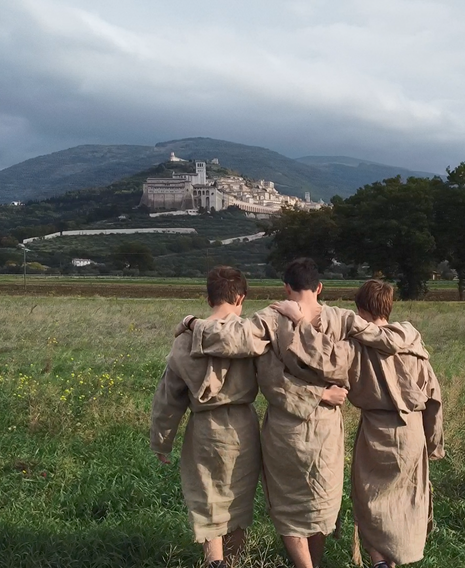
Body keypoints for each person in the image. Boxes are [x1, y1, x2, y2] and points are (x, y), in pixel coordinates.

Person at [182, 259, 414, 568]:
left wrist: (193, 324)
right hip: (327, 427)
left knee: (288, 505)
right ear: (319, 287)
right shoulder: (343, 319)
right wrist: (409, 335)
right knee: (321, 503)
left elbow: (249, 358)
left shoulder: (270, 317)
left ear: (286, 288)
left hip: (284, 426)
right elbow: (384, 340)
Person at [273, 279, 445, 568]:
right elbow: (433, 395)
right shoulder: (412, 341)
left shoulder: (354, 348)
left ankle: (378, 562)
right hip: (413, 430)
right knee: (405, 501)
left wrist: (300, 321)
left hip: (376, 431)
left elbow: (319, 357)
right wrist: (433, 442)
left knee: (369, 502)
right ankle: (391, 562)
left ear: (360, 310)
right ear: (388, 307)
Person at [150, 266, 265, 568]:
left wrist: (162, 441)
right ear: (241, 297)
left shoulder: (186, 340)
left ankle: (214, 562)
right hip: (244, 426)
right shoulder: (251, 335)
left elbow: (168, 397)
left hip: (204, 427)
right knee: (238, 499)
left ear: (208, 298)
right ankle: (234, 561)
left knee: (207, 498)